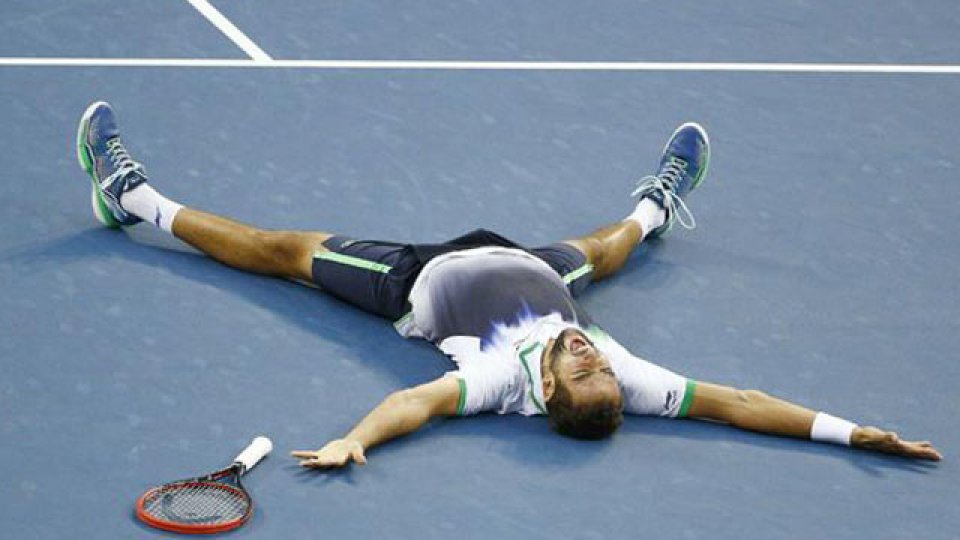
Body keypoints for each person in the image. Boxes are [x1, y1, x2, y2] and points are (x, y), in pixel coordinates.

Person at [77, 101, 942, 468]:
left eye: (580, 367)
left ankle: (130, 197)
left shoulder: (498, 382)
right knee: (602, 253)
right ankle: (655, 206)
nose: (586, 353)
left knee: (278, 250)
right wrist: (853, 432)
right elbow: (743, 403)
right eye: (598, 363)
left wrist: (355, 441)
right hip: (534, 268)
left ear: (549, 392)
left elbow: (414, 406)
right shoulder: (617, 379)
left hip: (418, 278)